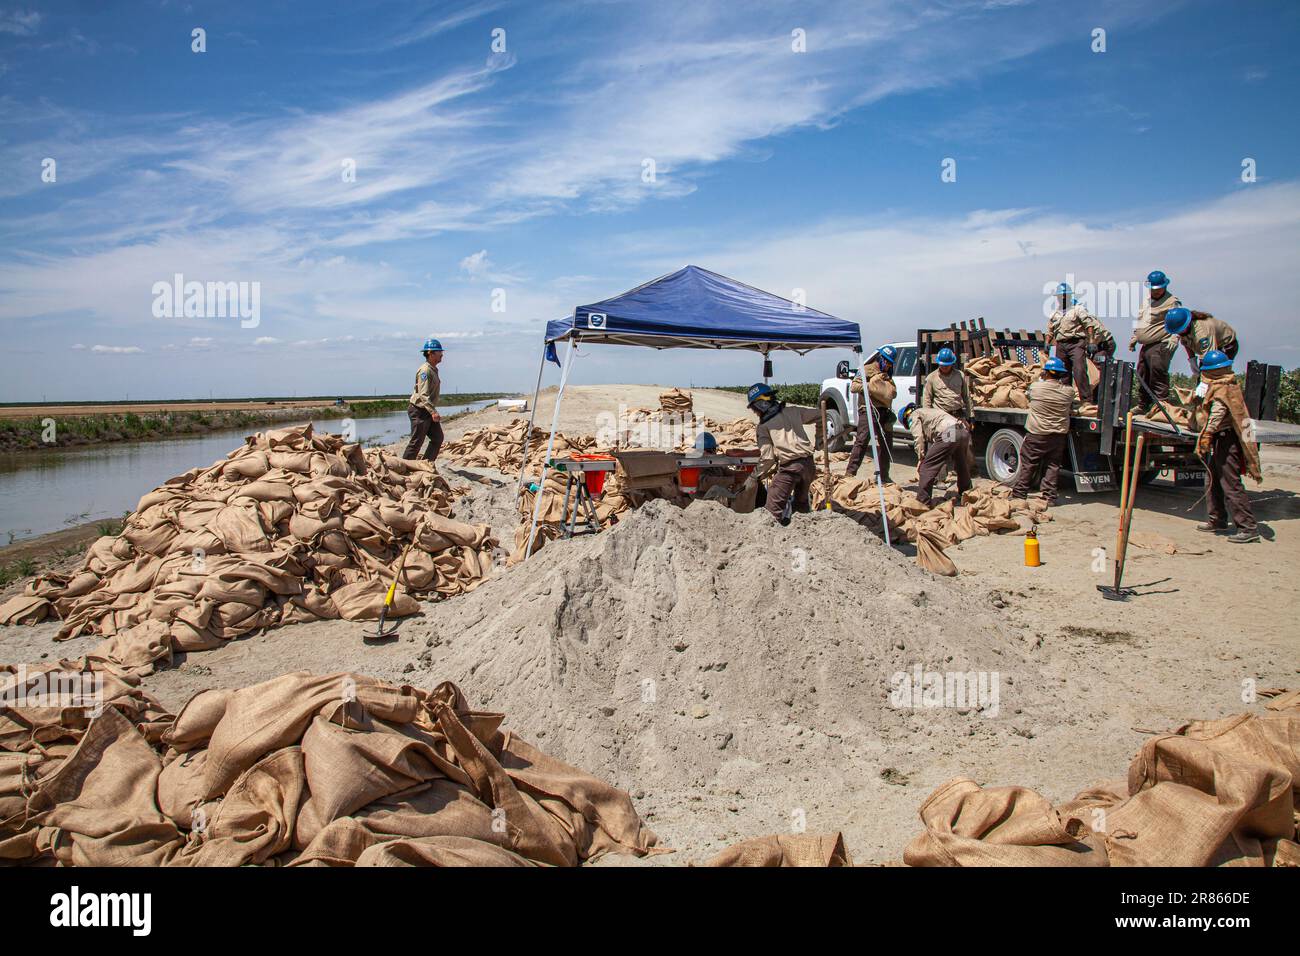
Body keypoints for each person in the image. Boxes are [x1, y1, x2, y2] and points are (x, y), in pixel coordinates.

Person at [1192, 350, 1261, 543]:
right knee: (1212, 479)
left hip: (1225, 439)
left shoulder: (1225, 388)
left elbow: (1218, 412)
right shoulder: (1212, 385)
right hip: (1218, 439)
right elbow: (1200, 400)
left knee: (1230, 484)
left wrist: (1207, 432)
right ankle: (1217, 519)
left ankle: (1248, 528)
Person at [741, 383, 823, 522]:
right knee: (801, 504)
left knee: (772, 511)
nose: (755, 413)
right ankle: (804, 532)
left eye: (754, 409)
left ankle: (772, 539)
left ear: (761, 405)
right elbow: (822, 414)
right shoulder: (793, 411)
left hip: (790, 468)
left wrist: (754, 477)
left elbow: (767, 458)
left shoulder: (763, 427)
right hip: (809, 465)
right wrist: (820, 438)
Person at [1010, 357, 1078, 506]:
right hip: (1058, 436)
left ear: (1046, 373)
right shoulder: (1068, 392)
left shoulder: (1036, 388)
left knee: (1029, 464)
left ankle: (1020, 494)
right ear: (1061, 374)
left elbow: (1028, 396)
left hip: (1037, 434)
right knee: (1053, 466)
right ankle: (1049, 497)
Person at [1129, 270, 1182, 410]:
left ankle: (1161, 405)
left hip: (1160, 342)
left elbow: (1178, 322)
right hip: (1146, 344)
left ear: (1165, 286)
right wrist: (1135, 337)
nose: (1156, 292)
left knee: (1157, 372)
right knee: (1142, 373)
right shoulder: (1147, 301)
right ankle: (1143, 404)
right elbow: (1141, 320)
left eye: (1159, 289)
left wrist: (1174, 338)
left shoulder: (1172, 302)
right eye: (1153, 289)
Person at [846, 345, 898, 483]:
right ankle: (850, 474)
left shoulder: (888, 372)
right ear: (880, 358)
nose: (887, 364)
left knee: (886, 443)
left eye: (890, 362)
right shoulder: (866, 369)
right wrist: (870, 386)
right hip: (868, 409)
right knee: (862, 441)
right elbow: (853, 387)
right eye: (886, 361)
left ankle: (883, 476)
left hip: (884, 411)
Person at [904, 403, 973, 507]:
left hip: (951, 432)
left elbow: (918, 438)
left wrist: (921, 458)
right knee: (961, 464)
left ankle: (922, 502)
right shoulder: (929, 412)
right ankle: (967, 494)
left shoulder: (914, 415)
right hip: (962, 431)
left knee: (927, 467)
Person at [1045, 282, 1102, 401]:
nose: (1063, 298)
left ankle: (1086, 400)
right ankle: (1066, 400)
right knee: (1062, 373)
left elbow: (1089, 325)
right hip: (1061, 344)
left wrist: (1091, 341)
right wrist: (1047, 342)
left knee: (1079, 370)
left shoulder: (1078, 309)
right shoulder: (1055, 313)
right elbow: (1050, 329)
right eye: (1061, 296)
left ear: (1069, 296)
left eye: (1065, 295)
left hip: (1076, 343)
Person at [1165, 308, 1239, 382]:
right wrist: (1192, 361)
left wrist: (1203, 381)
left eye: (1179, 330)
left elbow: (1209, 358)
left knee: (1218, 376)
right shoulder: (1183, 330)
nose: (1178, 333)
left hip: (1225, 346)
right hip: (1210, 349)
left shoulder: (1202, 333)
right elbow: (1186, 343)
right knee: (1203, 380)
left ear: (1187, 325)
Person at [403, 338, 444, 461]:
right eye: (439, 352)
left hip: (426, 410)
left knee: (437, 438)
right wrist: (433, 412)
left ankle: (427, 463)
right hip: (419, 410)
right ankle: (405, 467)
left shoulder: (433, 369)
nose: (442, 354)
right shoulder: (425, 370)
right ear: (431, 353)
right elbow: (423, 394)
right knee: (416, 442)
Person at [921, 348, 973, 422]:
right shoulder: (931, 378)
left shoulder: (960, 375)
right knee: (948, 433)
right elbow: (927, 400)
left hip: (958, 416)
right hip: (940, 417)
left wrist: (971, 415)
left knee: (961, 433)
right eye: (942, 365)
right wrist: (927, 419)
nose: (944, 367)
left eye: (947, 365)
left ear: (952, 363)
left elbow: (966, 396)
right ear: (938, 363)